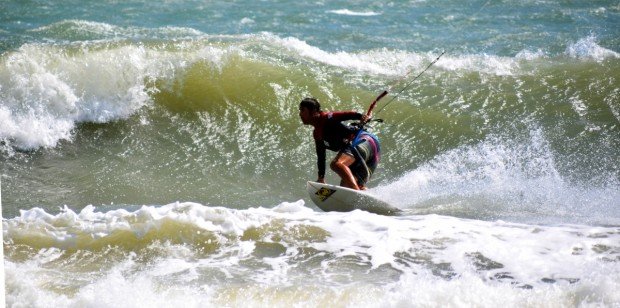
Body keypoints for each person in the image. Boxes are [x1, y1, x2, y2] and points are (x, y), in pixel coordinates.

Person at [299, 97, 381, 190]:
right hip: (368, 154)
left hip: (363, 141)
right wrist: (321, 178)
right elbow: (321, 156)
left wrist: (360, 116)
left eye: (302, 110)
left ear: (313, 111)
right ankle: (364, 199)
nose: (300, 114)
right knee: (347, 188)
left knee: (336, 164)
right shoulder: (317, 134)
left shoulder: (327, 118)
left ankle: (358, 193)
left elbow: (345, 115)